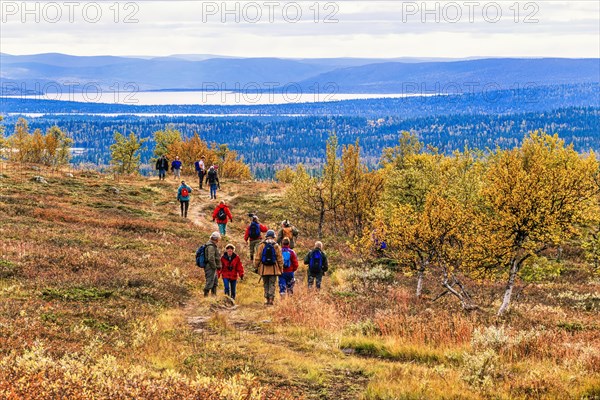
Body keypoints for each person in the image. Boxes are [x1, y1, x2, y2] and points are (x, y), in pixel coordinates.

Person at [254, 230, 283, 306]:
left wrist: (256, 267)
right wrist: (281, 268)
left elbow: (257, 257)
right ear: (273, 237)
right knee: (272, 284)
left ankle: (267, 299)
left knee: (266, 284)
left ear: (266, 236)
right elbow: (280, 258)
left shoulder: (261, 245)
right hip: (274, 269)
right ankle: (271, 300)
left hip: (264, 269)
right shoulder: (276, 245)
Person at [203, 232, 221, 297]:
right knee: (210, 282)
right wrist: (214, 266)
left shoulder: (212, 245)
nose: (219, 240)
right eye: (218, 238)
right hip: (210, 267)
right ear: (216, 239)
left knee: (215, 283)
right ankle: (206, 297)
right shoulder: (211, 246)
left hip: (212, 267)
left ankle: (214, 297)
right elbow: (211, 258)